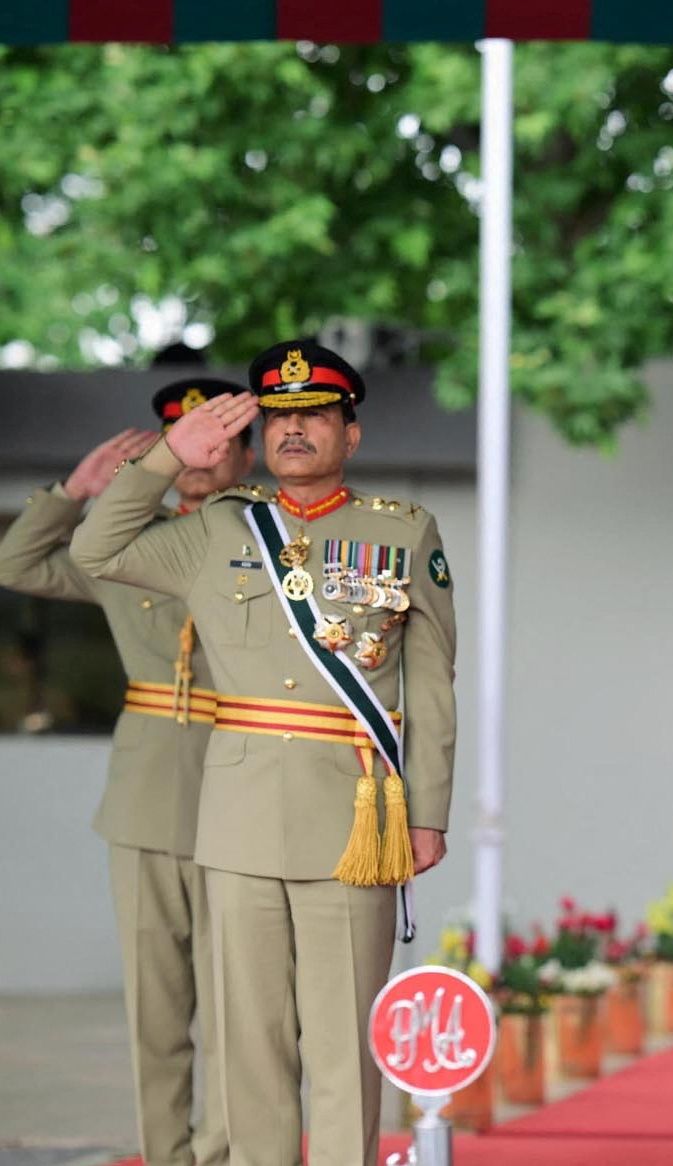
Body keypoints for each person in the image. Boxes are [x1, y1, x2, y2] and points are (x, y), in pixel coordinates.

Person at [69, 341, 458, 1166]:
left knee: (344, 1044)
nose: (293, 430)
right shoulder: (215, 527)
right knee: (250, 1045)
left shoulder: (403, 531)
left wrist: (428, 815)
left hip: (352, 821)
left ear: (350, 434)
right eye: (278, 417)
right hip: (237, 822)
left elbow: (429, 690)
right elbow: (94, 551)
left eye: (314, 415)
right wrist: (169, 457)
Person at [0, 377, 253, 1166]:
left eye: (217, 437)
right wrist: (75, 490)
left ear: (246, 451)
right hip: (147, 796)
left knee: (243, 1008)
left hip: (245, 788)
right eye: (184, 438)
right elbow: (17, 563)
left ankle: (225, 1153)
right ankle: (166, 1156)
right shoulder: (128, 546)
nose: (201, 453)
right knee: (156, 1010)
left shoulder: (275, 541)